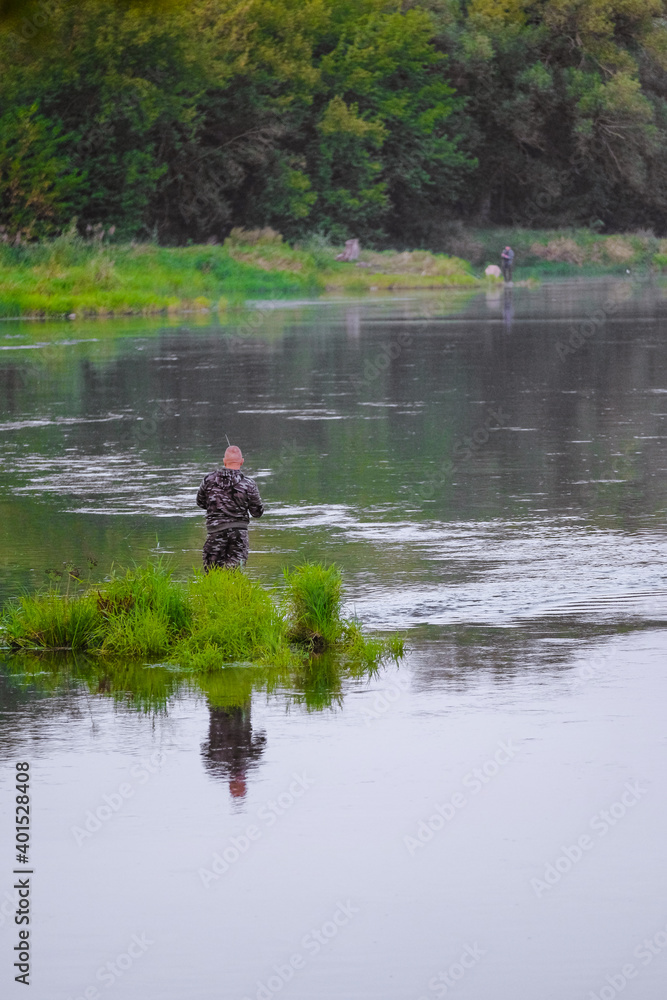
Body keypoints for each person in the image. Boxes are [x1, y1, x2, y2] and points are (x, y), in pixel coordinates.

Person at [196, 444, 264, 570]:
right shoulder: (249, 484)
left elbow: (200, 502)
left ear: (224, 461)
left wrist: (216, 508)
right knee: (235, 574)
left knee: (212, 575)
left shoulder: (208, 480)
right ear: (242, 462)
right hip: (239, 534)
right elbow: (257, 512)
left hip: (215, 532)